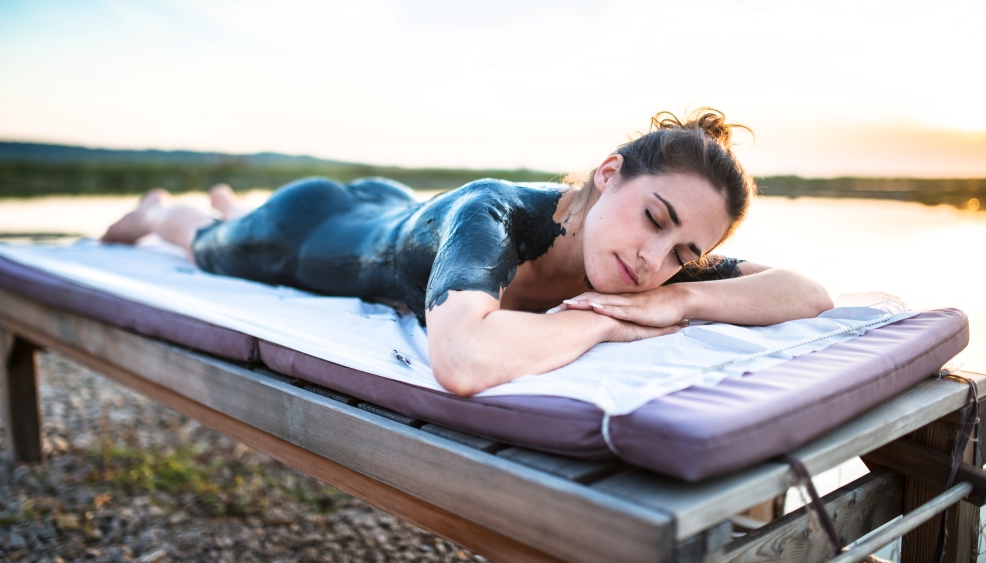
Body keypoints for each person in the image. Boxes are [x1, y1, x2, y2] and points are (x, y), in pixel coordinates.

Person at [102, 109, 833, 396]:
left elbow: (806, 292)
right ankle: (166, 208)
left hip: (395, 207)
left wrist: (680, 298)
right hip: (308, 229)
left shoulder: (655, 264)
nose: (654, 259)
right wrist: (608, 322)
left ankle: (231, 198)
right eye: (655, 219)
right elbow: (462, 361)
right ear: (608, 175)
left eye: (685, 250)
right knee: (205, 243)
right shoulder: (497, 212)